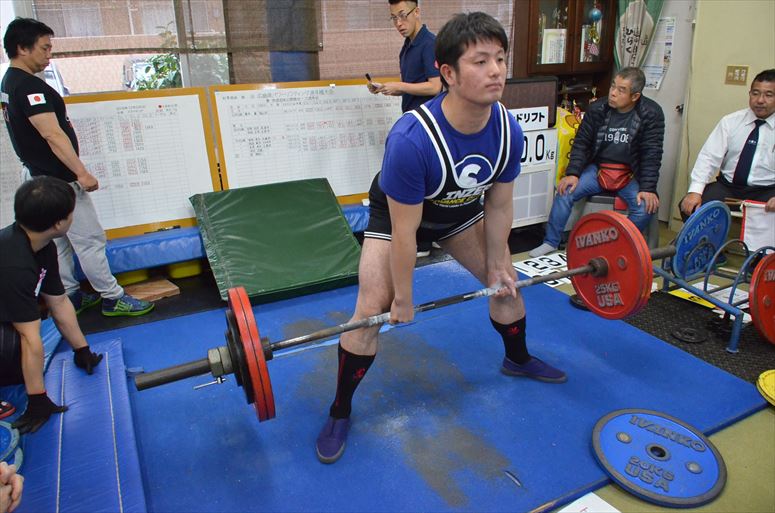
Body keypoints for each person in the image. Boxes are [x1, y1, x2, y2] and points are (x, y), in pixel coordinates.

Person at [316, 12, 566, 465]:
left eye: (500, 59)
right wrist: (403, 298)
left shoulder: (507, 129)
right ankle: (340, 410)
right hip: (399, 217)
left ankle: (517, 358)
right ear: (448, 73)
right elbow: (406, 232)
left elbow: (499, 206)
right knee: (369, 312)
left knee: (506, 285)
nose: (496, 71)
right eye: (480, 61)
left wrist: (497, 264)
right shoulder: (412, 140)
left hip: (459, 212)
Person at [1, 18, 154, 317]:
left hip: (37, 176)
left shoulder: (9, 82)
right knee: (90, 239)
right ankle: (112, 297)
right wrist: (81, 173)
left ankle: (71, 294)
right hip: (57, 180)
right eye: (44, 48)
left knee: (57, 241)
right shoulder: (29, 86)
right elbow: (52, 134)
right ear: (22, 48)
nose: (49, 55)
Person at [1, 177, 104, 434]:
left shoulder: (42, 246)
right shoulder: (15, 263)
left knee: (17, 364)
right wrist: (38, 399)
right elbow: (28, 336)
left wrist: (82, 350)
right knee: (13, 347)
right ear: (59, 223)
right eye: (71, 214)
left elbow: (58, 301)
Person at [529, 67, 664, 257]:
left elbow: (652, 152)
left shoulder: (651, 113)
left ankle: (615, 244)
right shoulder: (598, 108)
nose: (613, 93)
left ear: (635, 96)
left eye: (621, 90)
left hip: (630, 173)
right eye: (613, 86)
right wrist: (573, 173)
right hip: (599, 168)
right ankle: (551, 241)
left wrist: (648, 188)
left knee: (645, 208)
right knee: (565, 190)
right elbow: (582, 143)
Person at [367, 0, 442, 257]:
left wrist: (399, 86)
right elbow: (414, 86)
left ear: (417, 12)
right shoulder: (408, 46)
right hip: (413, 121)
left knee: (421, 182)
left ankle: (424, 241)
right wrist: (388, 88)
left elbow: (435, 87)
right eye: (393, 18)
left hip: (429, 125)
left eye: (403, 15)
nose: (399, 23)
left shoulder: (429, 43)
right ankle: (429, 237)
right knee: (419, 181)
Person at [679, 69, 775, 218]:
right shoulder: (731, 122)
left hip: (767, 191)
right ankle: (710, 235)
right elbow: (708, 158)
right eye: (755, 93)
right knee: (691, 208)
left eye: (768, 95)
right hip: (728, 187)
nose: (760, 100)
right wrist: (695, 191)